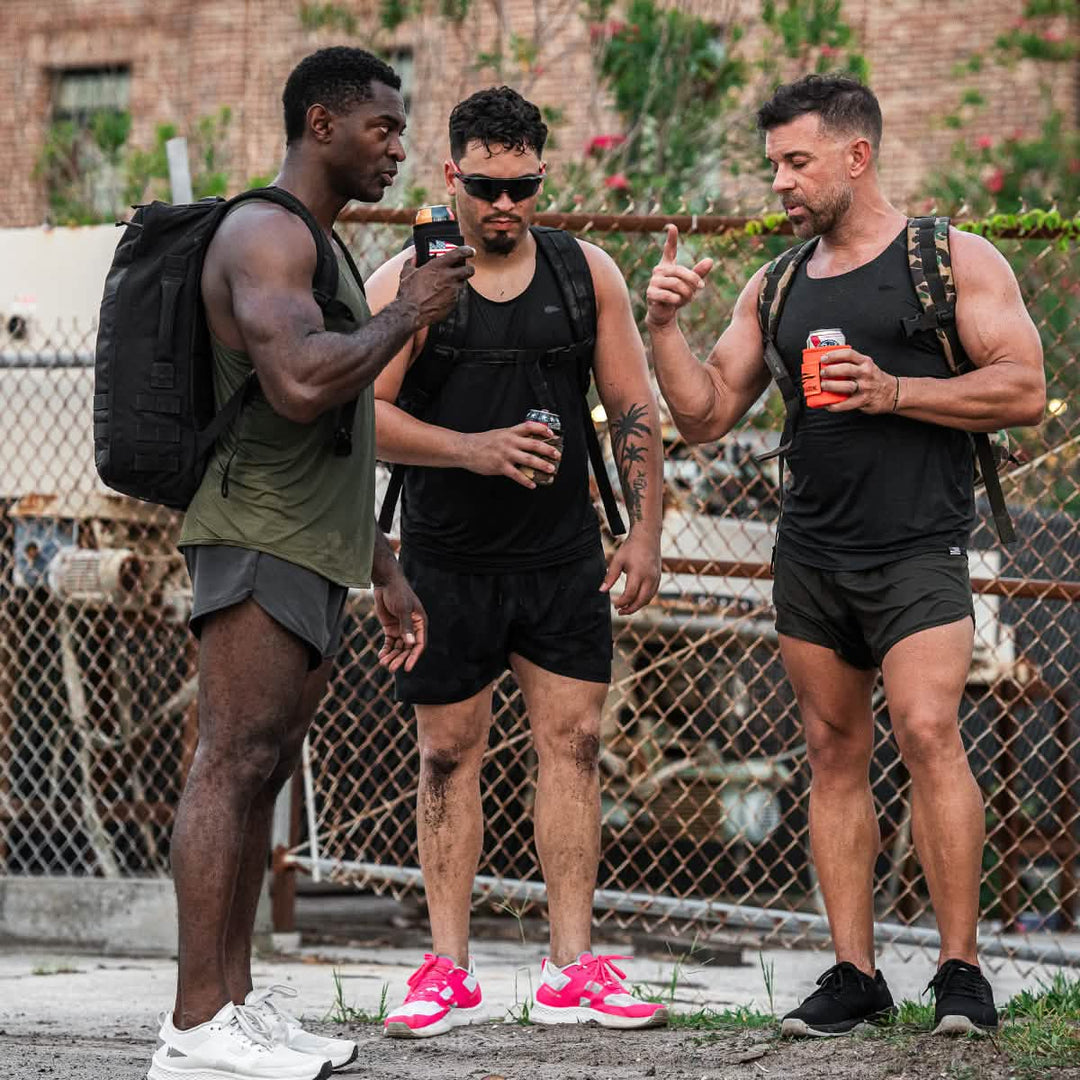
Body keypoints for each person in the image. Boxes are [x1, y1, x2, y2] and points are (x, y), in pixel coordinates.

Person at [645, 73, 1044, 1039]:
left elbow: (1023, 388)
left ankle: (961, 974)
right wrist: (660, 326)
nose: (779, 181)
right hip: (811, 550)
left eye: (797, 161)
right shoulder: (775, 282)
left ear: (856, 157)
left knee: (926, 730)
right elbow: (701, 417)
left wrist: (893, 392)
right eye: (773, 163)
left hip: (919, 545)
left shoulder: (949, 259)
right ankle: (856, 974)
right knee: (832, 754)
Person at [150, 47, 474, 1080]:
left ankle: (234, 1006)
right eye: (382, 126)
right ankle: (195, 1025)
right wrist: (407, 313)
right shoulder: (263, 231)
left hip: (312, 542)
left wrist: (378, 562)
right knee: (231, 761)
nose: (398, 146)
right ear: (322, 123)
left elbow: (333, 425)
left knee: (263, 771)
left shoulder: (318, 246)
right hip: (256, 533)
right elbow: (296, 384)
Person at [365, 86, 667, 1038]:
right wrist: (474, 449)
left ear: (544, 177)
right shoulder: (408, 283)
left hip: (562, 559)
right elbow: (359, 420)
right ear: (451, 175)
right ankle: (445, 971)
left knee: (573, 749)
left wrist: (646, 531)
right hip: (446, 562)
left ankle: (571, 968)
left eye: (523, 186)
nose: (504, 206)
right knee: (448, 755)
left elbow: (634, 409)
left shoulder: (586, 274)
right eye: (487, 187)